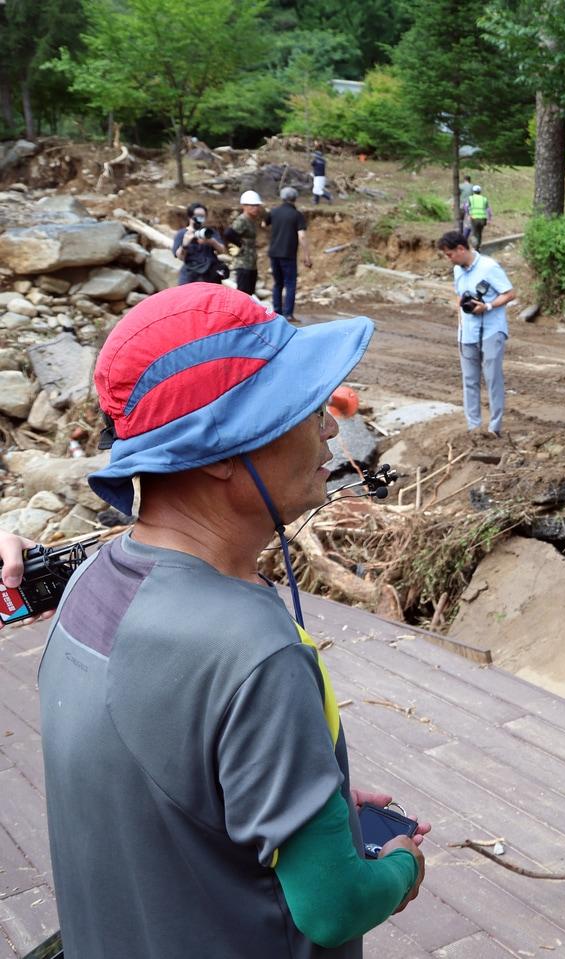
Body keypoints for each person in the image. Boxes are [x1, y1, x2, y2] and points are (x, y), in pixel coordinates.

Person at [38, 284, 429, 957]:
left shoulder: (86, 588)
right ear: (219, 449)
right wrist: (402, 866)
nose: (330, 427)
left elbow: (162, 783)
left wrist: (301, 793)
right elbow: (334, 907)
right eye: (305, 406)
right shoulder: (253, 650)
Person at [436, 230, 516, 436]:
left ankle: (494, 427)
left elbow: (510, 293)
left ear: (461, 249)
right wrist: (460, 322)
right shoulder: (458, 270)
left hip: (492, 330)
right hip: (468, 332)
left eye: (450, 254)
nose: (449, 259)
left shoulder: (489, 267)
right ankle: (474, 427)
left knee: (492, 378)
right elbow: (459, 296)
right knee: (469, 380)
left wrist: (487, 306)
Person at [265, 186, 311, 323]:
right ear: (295, 198)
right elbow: (302, 236)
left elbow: (263, 224)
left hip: (274, 253)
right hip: (288, 254)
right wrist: (307, 256)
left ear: (282, 197)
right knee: (290, 283)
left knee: (277, 283)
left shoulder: (274, 212)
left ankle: (277, 312)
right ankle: (288, 314)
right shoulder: (297, 215)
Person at [173, 201, 228, 286]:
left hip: (210, 274)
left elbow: (222, 250)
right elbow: (180, 257)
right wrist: (185, 245)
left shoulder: (209, 232)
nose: (200, 218)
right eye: (197, 216)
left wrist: (211, 241)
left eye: (202, 216)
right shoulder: (182, 233)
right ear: (190, 216)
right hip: (191, 275)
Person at [228, 190, 264, 296]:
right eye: (252, 206)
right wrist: (240, 245)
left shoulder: (251, 220)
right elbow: (229, 233)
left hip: (251, 262)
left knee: (250, 293)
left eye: (257, 205)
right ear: (244, 206)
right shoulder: (242, 220)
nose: (256, 208)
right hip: (243, 263)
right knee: (243, 293)